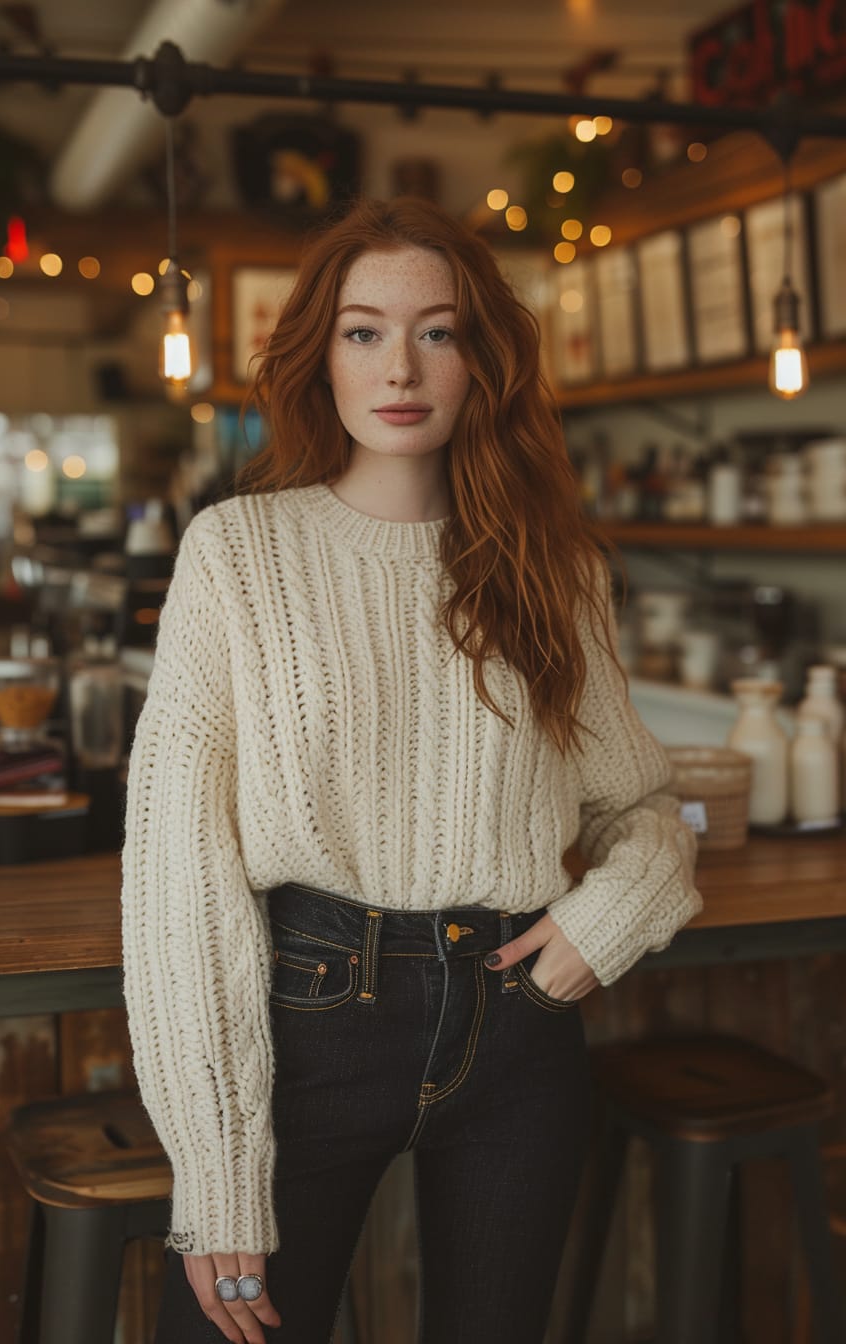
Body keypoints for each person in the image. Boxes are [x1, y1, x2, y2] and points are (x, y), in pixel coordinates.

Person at [121, 195, 701, 1344]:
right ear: (318, 357)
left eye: (436, 331)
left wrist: (613, 912)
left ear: (479, 359)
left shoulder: (549, 568)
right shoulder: (238, 557)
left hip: (518, 1025)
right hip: (310, 1018)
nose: (401, 365)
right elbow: (177, 876)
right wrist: (218, 1164)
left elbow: (640, 800)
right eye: (362, 331)